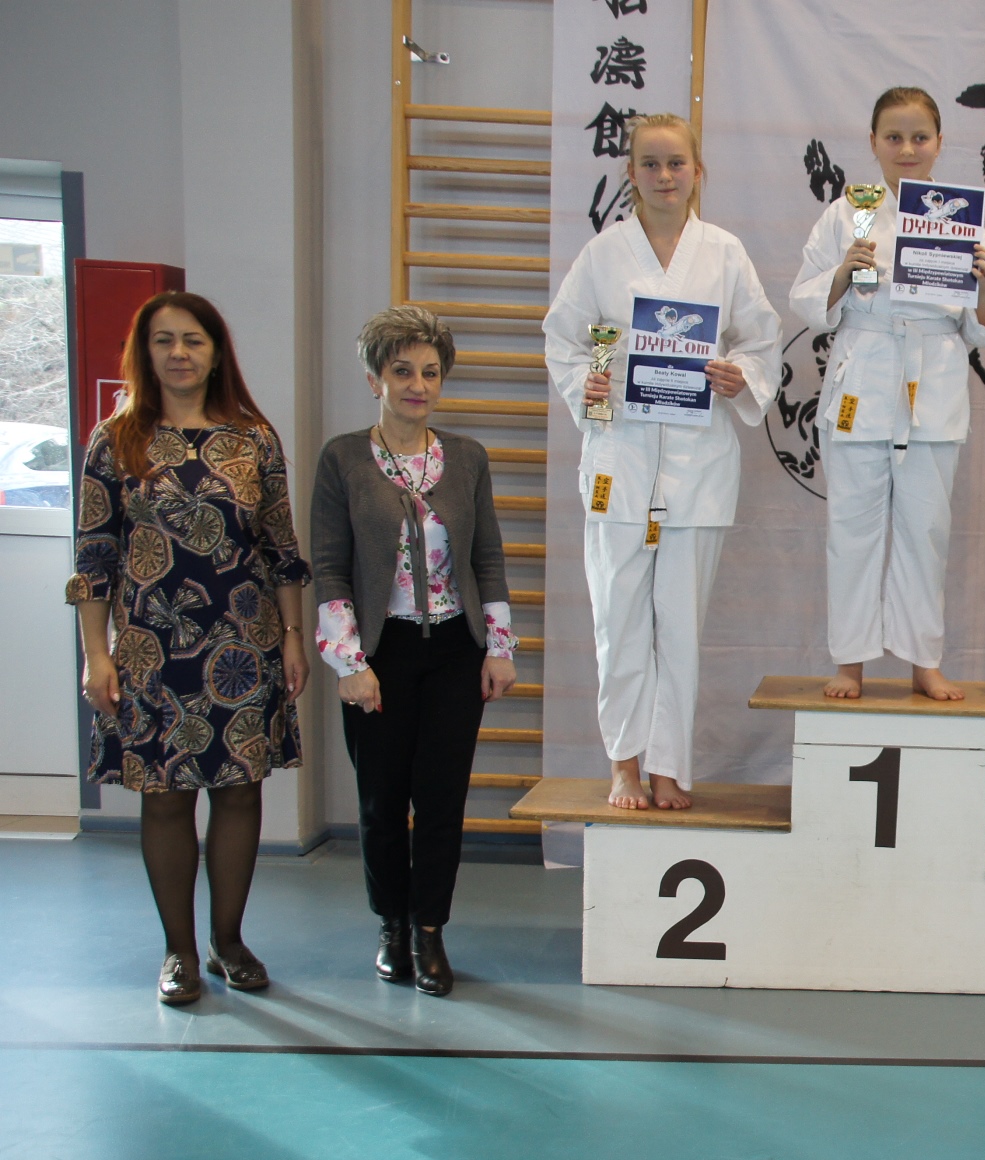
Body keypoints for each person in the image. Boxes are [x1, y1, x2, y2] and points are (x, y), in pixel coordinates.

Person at [67, 293, 311, 1005]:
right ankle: (178, 951)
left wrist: (292, 637)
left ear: (215, 351)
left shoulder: (253, 439)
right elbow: (93, 558)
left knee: (239, 792)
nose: (179, 353)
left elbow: (282, 549)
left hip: (244, 643)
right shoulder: (114, 440)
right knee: (166, 800)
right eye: (164, 340)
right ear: (144, 352)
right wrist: (96, 653)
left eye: (193, 340)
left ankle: (228, 941)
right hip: (151, 650)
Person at [546, 113, 780, 810]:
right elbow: (564, 338)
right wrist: (584, 386)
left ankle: (670, 768)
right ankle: (624, 763)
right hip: (619, 457)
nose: (664, 175)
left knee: (679, 626)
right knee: (618, 621)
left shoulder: (724, 253)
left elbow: (761, 340)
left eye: (676, 162)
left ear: (697, 171)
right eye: (649, 163)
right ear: (631, 175)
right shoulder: (603, 255)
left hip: (697, 463)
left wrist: (740, 375)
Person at [312, 305, 517, 998]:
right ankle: (391, 926)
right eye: (402, 371)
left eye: (430, 372)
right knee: (380, 802)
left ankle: (429, 929)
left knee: (440, 802)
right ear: (375, 378)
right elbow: (330, 568)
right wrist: (350, 663)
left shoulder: (467, 458)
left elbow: (487, 557)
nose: (417, 385)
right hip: (381, 652)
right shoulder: (342, 458)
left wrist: (498, 647)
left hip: (455, 652)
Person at [788, 86, 985, 703]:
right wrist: (842, 271)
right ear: (873, 143)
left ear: (939, 143)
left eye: (919, 137)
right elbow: (805, 298)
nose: (907, 149)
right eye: (894, 137)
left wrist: (984, 285)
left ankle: (923, 661)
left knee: (925, 530)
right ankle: (850, 662)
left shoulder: (965, 218)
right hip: (862, 376)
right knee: (851, 528)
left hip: (933, 383)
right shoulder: (846, 213)